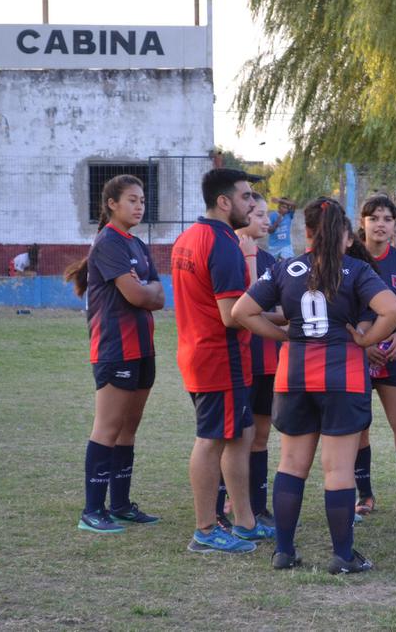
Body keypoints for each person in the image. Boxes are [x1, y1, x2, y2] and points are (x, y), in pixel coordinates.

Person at [232, 197, 396, 574]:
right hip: (343, 377)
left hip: (293, 377)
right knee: (337, 469)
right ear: (344, 234)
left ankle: (283, 552)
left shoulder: (285, 268)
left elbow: (241, 311)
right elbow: (393, 310)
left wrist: (283, 336)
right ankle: (343, 556)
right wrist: (366, 339)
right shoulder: (355, 269)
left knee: (291, 464)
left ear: (307, 232)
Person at [171, 168, 274, 554]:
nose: (252, 203)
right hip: (219, 356)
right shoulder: (223, 244)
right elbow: (232, 315)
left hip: (199, 352)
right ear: (224, 201)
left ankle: (245, 522)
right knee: (211, 439)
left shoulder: (189, 237)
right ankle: (205, 529)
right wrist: (282, 325)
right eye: (246, 197)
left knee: (240, 436)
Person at [64, 175, 164, 533]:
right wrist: (145, 290)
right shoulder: (108, 242)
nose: (139, 206)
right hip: (115, 349)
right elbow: (139, 296)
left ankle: (120, 505)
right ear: (112, 204)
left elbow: (160, 296)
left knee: (128, 429)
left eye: (142, 200)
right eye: (132, 200)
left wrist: (146, 290)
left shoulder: (138, 244)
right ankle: (92, 510)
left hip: (143, 347)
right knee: (107, 428)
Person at [218, 192, 286, 530]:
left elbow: (282, 312)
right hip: (236, 362)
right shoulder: (228, 254)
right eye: (258, 214)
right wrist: (247, 260)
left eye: (266, 215)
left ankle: (257, 507)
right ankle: (222, 504)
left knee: (260, 436)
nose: (264, 221)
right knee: (231, 437)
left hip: (267, 361)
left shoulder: (272, 261)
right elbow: (239, 310)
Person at [352, 195, 396, 517]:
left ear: (395, 225)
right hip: (356, 356)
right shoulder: (349, 258)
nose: (380, 224)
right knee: (358, 427)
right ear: (362, 223)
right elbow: (340, 309)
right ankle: (365, 496)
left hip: (393, 356)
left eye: (387, 219)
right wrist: (364, 344)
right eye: (374, 218)